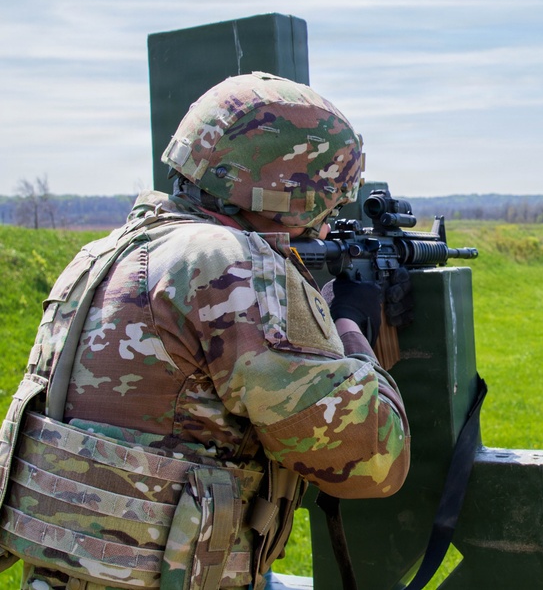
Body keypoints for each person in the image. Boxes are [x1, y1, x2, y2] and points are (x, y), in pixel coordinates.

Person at [0, 72, 410, 590]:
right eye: (327, 204)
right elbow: (373, 458)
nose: (328, 225)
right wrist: (349, 326)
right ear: (290, 190)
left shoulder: (104, 253)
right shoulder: (229, 264)